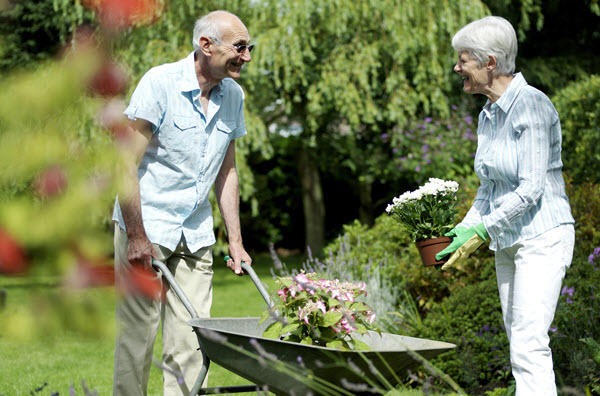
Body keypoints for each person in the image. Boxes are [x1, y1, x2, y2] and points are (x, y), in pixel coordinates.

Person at [112, 10, 254, 396]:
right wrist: (138, 237)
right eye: (240, 47)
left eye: (249, 47)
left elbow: (227, 172)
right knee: (138, 337)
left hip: (195, 233)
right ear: (206, 46)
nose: (247, 56)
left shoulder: (233, 96)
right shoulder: (160, 83)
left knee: (193, 339)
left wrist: (236, 243)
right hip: (147, 226)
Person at [436, 16, 575, 396]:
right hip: (509, 242)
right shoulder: (488, 115)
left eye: (463, 60)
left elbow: (531, 189)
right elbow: (489, 190)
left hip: (543, 237)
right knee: (519, 345)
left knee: (530, 345)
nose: (456, 68)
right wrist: (463, 229)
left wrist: (482, 230)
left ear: (489, 63)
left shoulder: (531, 106)